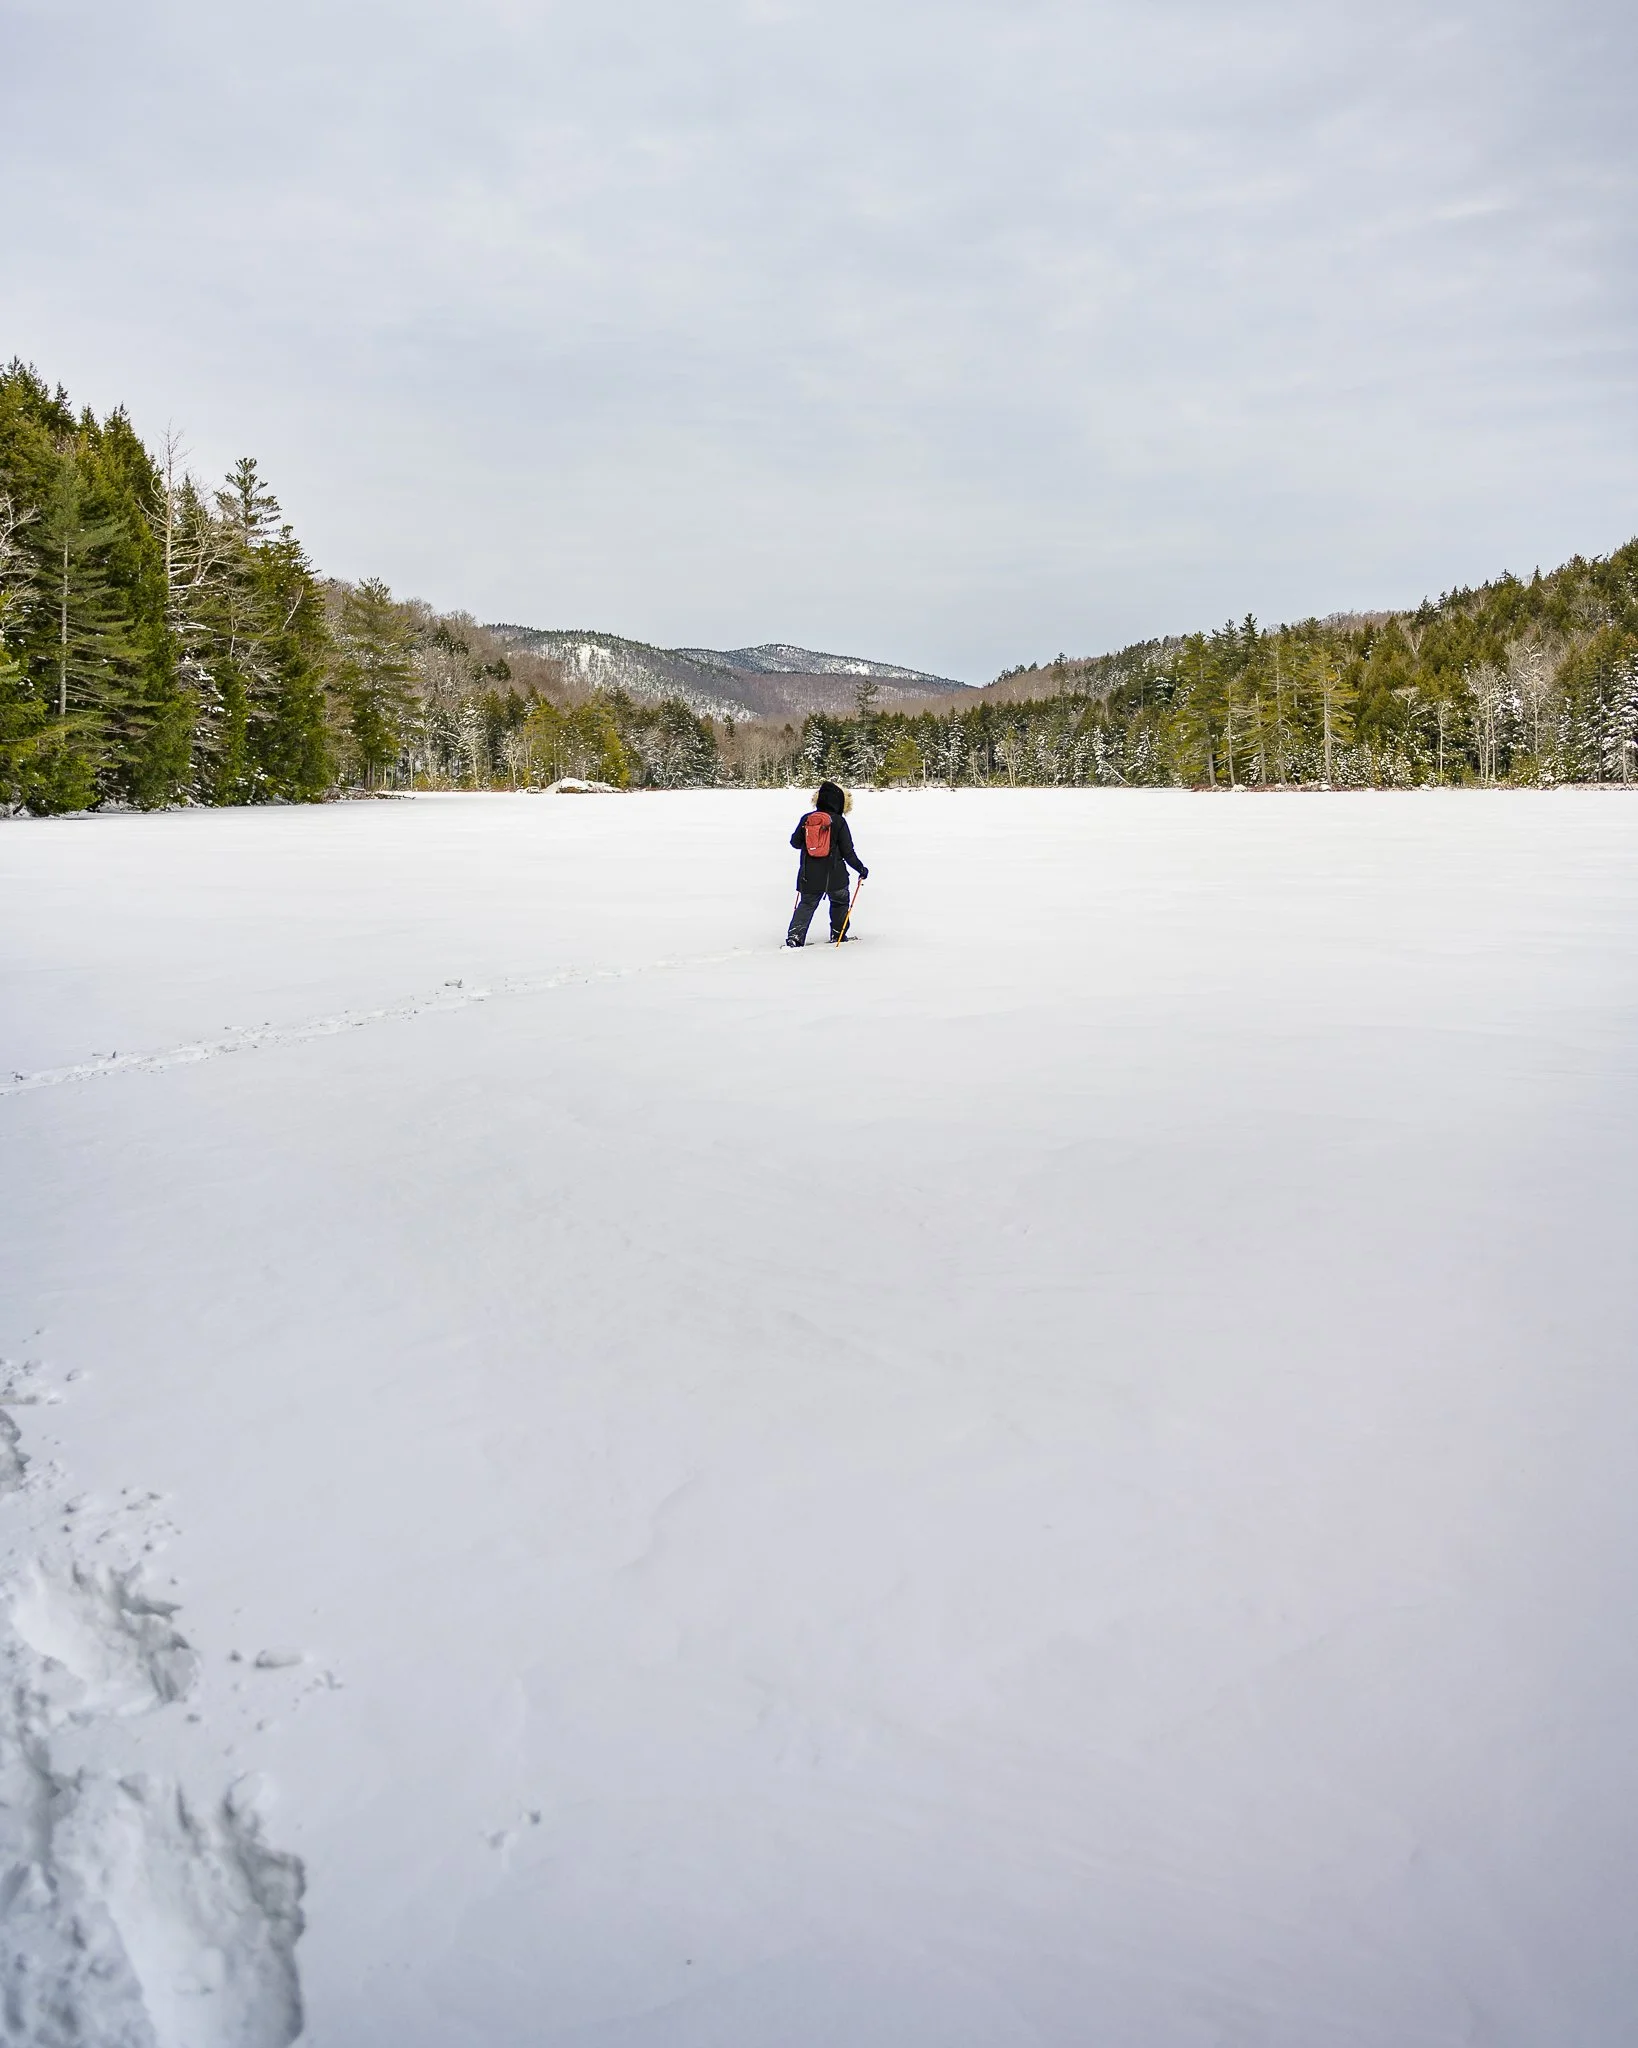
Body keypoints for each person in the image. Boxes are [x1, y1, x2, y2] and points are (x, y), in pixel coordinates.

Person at [786, 781, 868, 946]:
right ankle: (838, 935)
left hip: (809, 876)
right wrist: (860, 868)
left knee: (807, 904)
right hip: (836, 876)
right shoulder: (839, 821)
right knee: (840, 902)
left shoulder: (807, 819)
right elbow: (848, 852)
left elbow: (795, 843)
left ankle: (795, 938)